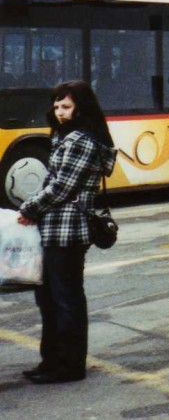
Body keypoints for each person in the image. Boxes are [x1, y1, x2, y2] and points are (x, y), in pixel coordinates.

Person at [16, 80, 116, 384]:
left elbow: (61, 187)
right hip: (54, 228)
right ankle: (51, 360)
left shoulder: (81, 141)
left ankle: (69, 366)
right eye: (57, 105)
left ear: (80, 108)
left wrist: (28, 209)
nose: (59, 111)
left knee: (65, 298)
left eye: (66, 106)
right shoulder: (66, 136)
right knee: (48, 296)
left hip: (69, 230)